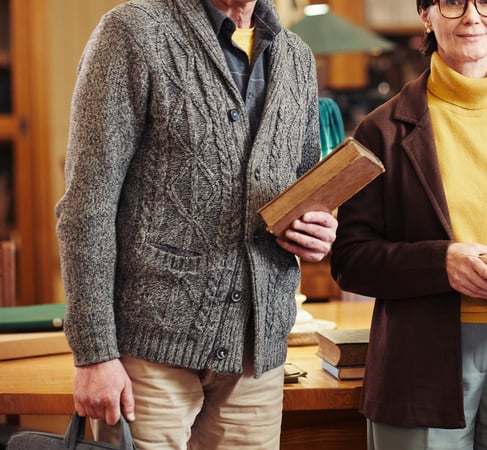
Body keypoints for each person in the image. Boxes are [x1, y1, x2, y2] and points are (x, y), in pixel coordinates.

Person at [56, 0, 337, 447]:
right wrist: (94, 354)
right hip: (149, 354)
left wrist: (315, 230)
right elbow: (87, 207)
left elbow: (301, 192)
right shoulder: (133, 32)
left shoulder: (297, 57)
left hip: (255, 359)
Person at [328, 0, 487, 448]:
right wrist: (441, 262)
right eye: (452, 2)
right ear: (426, 15)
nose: (472, 16)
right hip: (420, 362)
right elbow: (351, 259)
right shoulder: (382, 129)